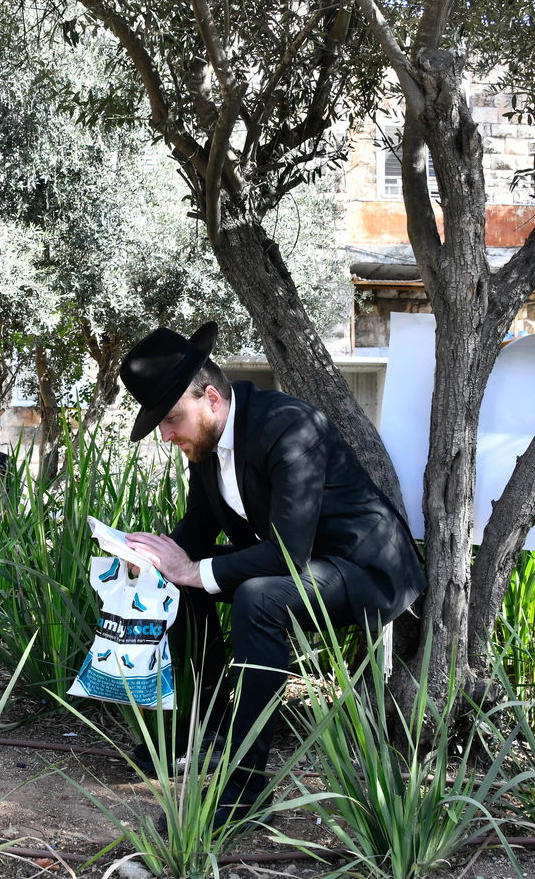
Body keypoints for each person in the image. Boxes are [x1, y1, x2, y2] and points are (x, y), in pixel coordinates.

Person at [118, 321, 425, 827]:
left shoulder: (287, 425)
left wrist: (193, 568)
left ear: (211, 399)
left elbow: (289, 553)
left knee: (256, 597)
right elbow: (196, 530)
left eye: (171, 419)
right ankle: (206, 732)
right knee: (177, 577)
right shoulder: (206, 445)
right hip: (300, 565)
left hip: (365, 569)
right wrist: (153, 556)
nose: (168, 436)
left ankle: (244, 787)